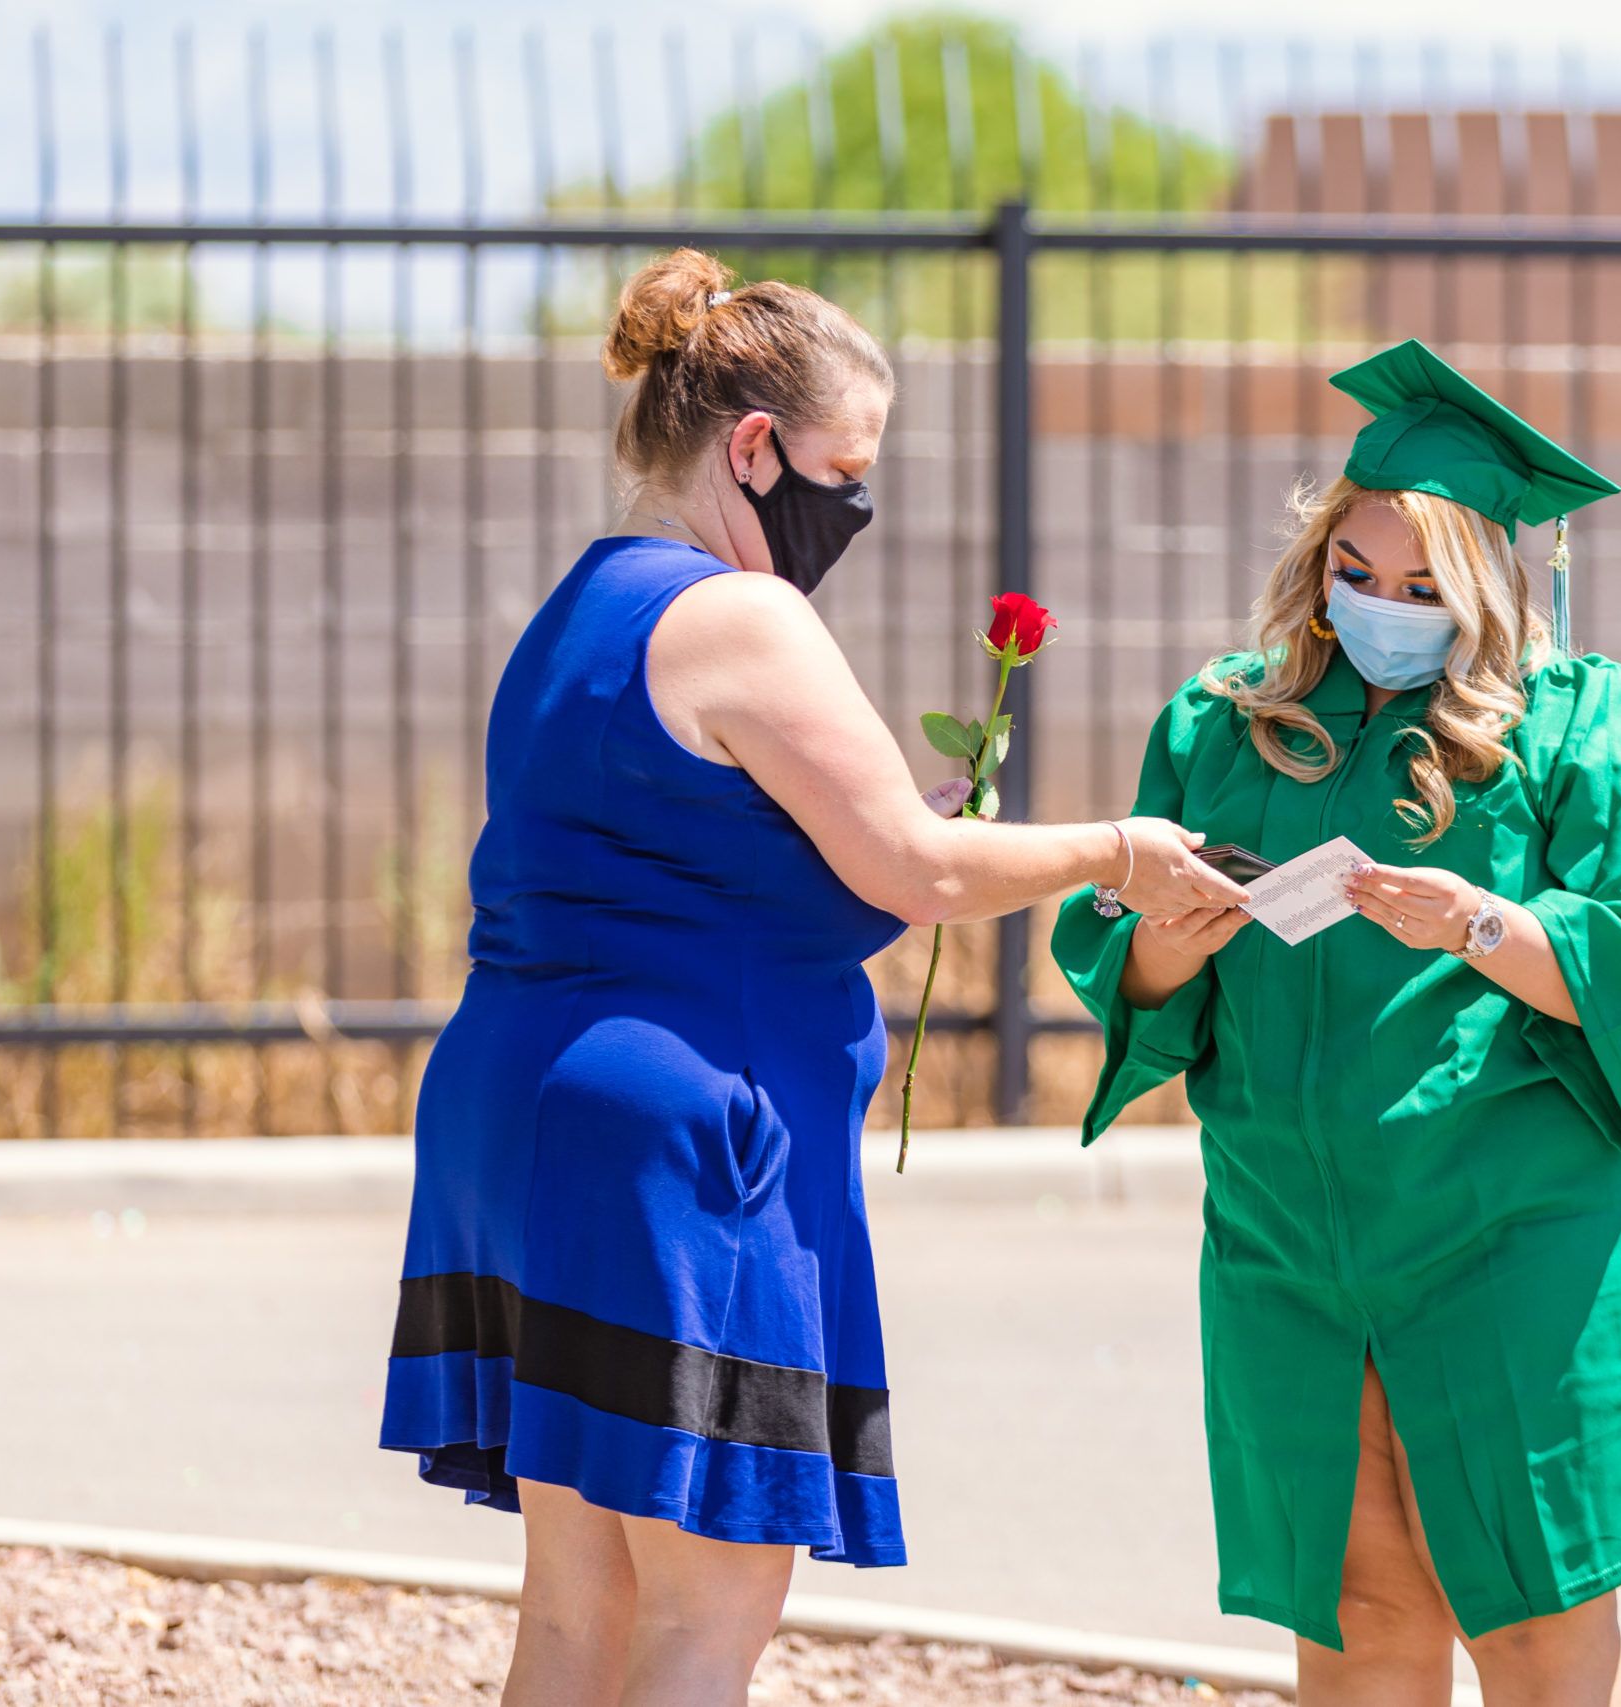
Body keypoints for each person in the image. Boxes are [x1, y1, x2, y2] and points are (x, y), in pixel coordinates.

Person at [379, 248, 1247, 1707]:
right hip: (675, 1140)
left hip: (516, 1113)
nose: (853, 505)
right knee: (707, 1603)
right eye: (845, 468)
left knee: (577, 1601)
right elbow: (915, 868)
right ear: (754, 447)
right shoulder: (743, 617)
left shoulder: (579, 608)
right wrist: (1121, 848)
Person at [1050, 340, 1621, 1707]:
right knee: (1356, 1607)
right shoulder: (1233, 721)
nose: (1383, 607)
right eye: (1357, 573)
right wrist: (1168, 945)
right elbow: (1124, 962)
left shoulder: (1576, 723)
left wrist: (1482, 920)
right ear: (1317, 560)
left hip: (1509, 1224)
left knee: (1528, 1604)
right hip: (1288, 1232)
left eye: (1424, 587)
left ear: (1488, 582)